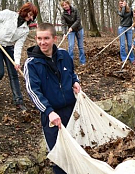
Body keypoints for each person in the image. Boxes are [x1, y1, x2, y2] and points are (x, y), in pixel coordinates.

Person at [24, 23, 81, 174]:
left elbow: (72, 73)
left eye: (46, 38)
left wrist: (75, 82)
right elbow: (33, 91)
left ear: (54, 38)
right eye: (39, 38)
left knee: (77, 150)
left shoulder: (64, 55)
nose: (43, 42)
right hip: (51, 116)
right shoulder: (32, 64)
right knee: (59, 157)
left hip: (71, 111)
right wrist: (49, 112)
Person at [0, 2, 38, 111]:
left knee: (14, 74)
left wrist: (17, 61)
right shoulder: (8, 14)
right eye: (30, 14)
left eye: (32, 16)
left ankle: (19, 101)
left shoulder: (25, 29)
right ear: (24, 11)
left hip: (9, 48)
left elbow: (18, 45)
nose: (30, 17)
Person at [60, 0, 86, 65]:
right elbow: (63, 24)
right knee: (70, 46)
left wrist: (72, 27)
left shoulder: (75, 10)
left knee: (81, 46)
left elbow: (78, 20)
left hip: (79, 29)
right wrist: (64, 33)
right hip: (70, 32)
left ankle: (82, 62)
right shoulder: (63, 14)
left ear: (69, 4)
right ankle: (70, 63)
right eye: (63, 5)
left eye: (66, 4)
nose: (65, 6)